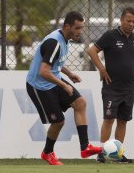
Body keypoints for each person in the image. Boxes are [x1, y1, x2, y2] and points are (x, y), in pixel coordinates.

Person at [26, 11, 102, 165]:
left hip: (52, 80)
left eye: (82, 28)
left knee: (80, 103)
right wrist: (64, 85)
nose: (80, 32)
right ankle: (47, 153)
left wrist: (70, 73)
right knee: (59, 121)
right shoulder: (54, 41)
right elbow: (44, 71)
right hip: (39, 85)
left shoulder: (65, 39)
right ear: (67, 26)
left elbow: (56, 62)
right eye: (77, 28)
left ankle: (85, 147)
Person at [87, 7, 134, 163]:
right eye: (128, 21)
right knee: (109, 119)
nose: (131, 24)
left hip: (129, 88)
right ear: (121, 20)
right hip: (111, 87)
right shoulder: (110, 36)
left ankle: (117, 153)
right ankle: (101, 153)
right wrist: (102, 69)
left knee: (123, 121)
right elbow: (91, 51)